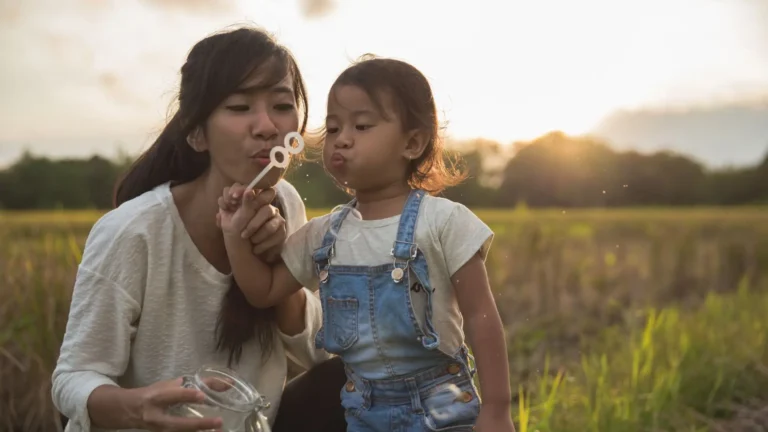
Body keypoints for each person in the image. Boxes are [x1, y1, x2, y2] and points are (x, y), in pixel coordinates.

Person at [51, 26, 347, 432]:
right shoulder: (133, 231)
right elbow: (72, 379)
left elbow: (318, 353)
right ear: (196, 132)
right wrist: (139, 407)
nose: (266, 126)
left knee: (357, 381)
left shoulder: (286, 203)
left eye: (281, 105)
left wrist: (280, 272)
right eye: (239, 106)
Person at [218, 56, 516, 431]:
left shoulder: (444, 221)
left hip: (443, 405)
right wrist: (234, 234)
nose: (341, 138)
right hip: (362, 410)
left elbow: (481, 316)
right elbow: (264, 291)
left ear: (412, 142)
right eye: (332, 128)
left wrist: (497, 409)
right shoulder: (324, 234)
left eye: (361, 126)